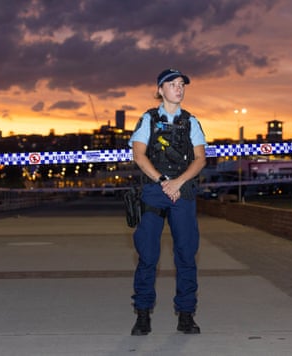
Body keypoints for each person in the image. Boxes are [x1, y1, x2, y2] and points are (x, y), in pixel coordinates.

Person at [128, 68, 207, 335]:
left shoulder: (191, 121)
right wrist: (164, 181)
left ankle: (186, 315)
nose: (179, 88)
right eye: (172, 84)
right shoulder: (148, 119)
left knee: (186, 254)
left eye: (181, 84)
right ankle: (142, 314)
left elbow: (200, 159)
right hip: (154, 189)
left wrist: (178, 182)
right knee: (148, 255)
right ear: (160, 90)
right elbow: (139, 155)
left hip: (182, 191)